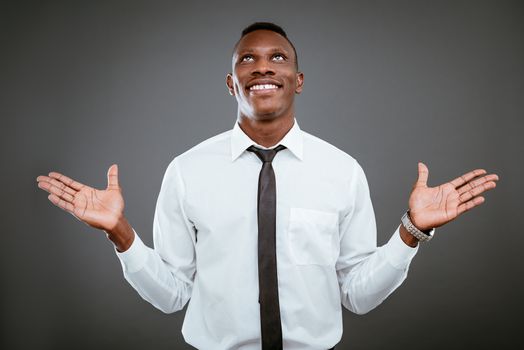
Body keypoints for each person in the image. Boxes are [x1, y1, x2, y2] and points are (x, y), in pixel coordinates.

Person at [36, 22, 499, 350]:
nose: (262, 67)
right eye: (247, 60)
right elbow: (172, 295)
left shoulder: (342, 170)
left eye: (277, 58)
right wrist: (119, 232)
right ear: (230, 83)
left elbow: (356, 294)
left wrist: (411, 230)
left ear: (297, 81)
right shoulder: (186, 171)